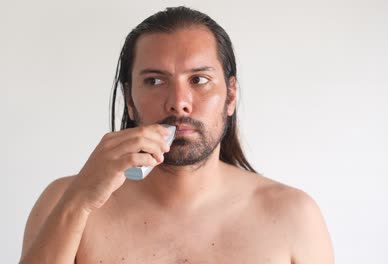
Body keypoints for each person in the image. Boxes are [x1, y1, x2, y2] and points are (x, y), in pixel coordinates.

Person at [19, 6, 334, 264]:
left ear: (231, 95)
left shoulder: (294, 216)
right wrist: (79, 202)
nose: (179, 102)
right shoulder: (65, 203)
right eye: (155, 81)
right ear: (129, 99)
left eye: (198, 79)